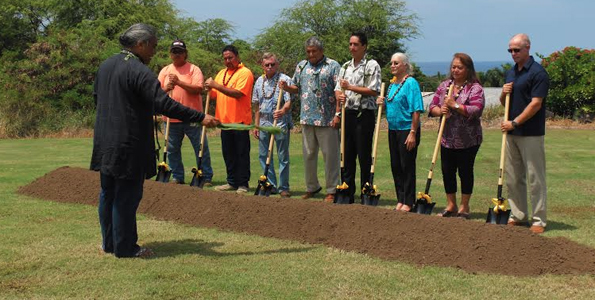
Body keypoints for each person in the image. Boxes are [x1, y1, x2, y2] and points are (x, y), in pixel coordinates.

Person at [91, 23, 220, 258]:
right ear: (140, 44)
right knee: (127, 195)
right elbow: (164, 104)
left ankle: (109, 243)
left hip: (105, 141)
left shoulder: (106, 65)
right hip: (128, 143)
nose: (154, 51)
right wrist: (200, 116)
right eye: (152, 46)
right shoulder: (138, 70)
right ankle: (126, 248)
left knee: (107, 192)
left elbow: (97, 99)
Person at [280, 36, 341, 203]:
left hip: (327, 119)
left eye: (314, 51)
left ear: (321, 51)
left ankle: (332, 189)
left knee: (330, 155)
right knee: (309, 155)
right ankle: (312, 187)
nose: (311, 54)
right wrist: (286, 87)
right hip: (307, 118)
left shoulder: (333, 66)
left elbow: (339, 92)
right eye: (308, 51)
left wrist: (338, 114)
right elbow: (296, 87)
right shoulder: (302, 66)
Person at [501, 33, 550, 234]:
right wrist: (504, 93)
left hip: (530, 133)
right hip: (511, 133)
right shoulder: (511, 73)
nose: (513, 53)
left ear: (528, 48)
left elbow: (536, 104)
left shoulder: (538, 73)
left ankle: (538, 220)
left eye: (516, 50)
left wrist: (515, 122)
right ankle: (518, 215)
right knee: (513, 177)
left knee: (535, 178)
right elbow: (505, 103)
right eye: (510, 50)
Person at [428, 53, 485, 219]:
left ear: (468, 69)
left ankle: (464, 207)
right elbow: (432, 106)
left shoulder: (475, 88)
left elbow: (476, 110)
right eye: (453, 67)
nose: (456, 70)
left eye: (460, 67)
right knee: (447, 171)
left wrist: (455, 105)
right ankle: (451, 205)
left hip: (468, 140)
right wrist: (440, 111)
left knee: (465, 172)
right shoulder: (445, 85)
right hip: (446, 138)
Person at [157, 39, 213, 185]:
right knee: (172, 150)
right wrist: (166, 89)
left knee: (200, 147)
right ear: (170, 54)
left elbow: (198, 89)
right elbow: (156, 93)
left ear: (185, 54)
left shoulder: (194, 69)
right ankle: (177, 176)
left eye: (180, 52)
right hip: (171, 118)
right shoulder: (165, 71)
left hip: (193, 117)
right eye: (174, 52)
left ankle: (206, 176)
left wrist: (179, 82)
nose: (177, 55)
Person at [335, 31, 381, 204]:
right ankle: (347, 191)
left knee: (363, 155)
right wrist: (339, 98)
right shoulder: (346, 66)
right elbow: (339, 88)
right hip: (348, 114)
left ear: (364, 46)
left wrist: (351, 88)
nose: (352, 47)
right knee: (346, 155)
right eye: (350, 44)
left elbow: (374, 90)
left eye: (355, 44)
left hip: (364, 114)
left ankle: (366, 191)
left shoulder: (371, 65)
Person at [376, 52, 424, 212]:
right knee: (396, 165)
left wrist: (413, 132)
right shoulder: (392, 85)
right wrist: (381, 102)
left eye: (396, 63)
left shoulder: (411, 83)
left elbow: (416, 109)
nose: (392, 66)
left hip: (407, 130)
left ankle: (409, 201)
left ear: (404, 65)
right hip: (393, 129)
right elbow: (392, 103)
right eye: (391, 63)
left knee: (407, 166)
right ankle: (400, 198)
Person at [205, 45, 254, 194]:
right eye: (225, 58)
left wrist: (215, 85)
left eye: (230, 58)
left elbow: (237, 93)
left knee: (241, 154)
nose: (228, 61)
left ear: (237, 57)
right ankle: (231, 182)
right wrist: (207, 88)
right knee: (228, 154)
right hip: (224, 122)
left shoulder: (245, 73)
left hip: (239, 122)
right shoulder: (222, 73)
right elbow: (214, 94)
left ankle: (243, 184)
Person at [252, 52, 293, 198]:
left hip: (280, 122)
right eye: (267, 65)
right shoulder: (259, 81)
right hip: (263, 122)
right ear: (262, 66)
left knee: (283, 156)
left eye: (272, 64)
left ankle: (284, 187)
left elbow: (288, 101)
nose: (270, 67)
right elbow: (256, 105)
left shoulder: (284, 79)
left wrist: (282, 110)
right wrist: (256, 125)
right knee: (264, 154)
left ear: (277, 65)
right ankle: (271, 184)